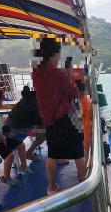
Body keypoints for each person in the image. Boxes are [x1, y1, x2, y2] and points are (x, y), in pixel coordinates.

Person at [32, 37, 85, 196]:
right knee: (78, 152)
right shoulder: (59, 73)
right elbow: (74, 92)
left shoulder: (36, 73)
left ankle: (52, 187)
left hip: (49, 119)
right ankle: (83, 183)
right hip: (65, 118)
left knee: (52, 154)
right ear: (55, 53)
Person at [8, 86, 45, 162]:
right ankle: (29, 153)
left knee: (44, 129)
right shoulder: (36, 102)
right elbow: (37, 120)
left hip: (12, 126)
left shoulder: (28, 98)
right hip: (17, 130)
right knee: (45, 133)